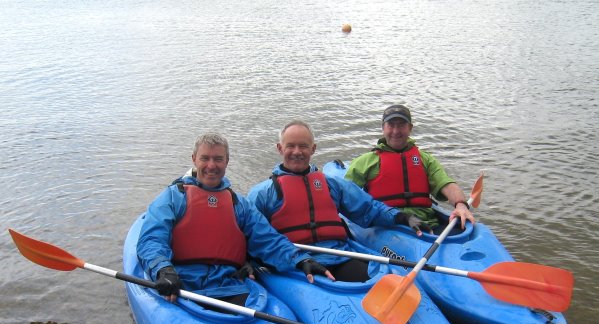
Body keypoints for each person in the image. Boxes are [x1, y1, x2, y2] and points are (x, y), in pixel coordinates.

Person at [137, 132, 333, 305]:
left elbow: (268, 240)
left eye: (218, 159)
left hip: (230, 283)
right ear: (194, 159)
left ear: (227, 161)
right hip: (182, 283)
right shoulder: (172, 197)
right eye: (205, 158)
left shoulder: (238, 204)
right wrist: (163, 270)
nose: (211, 166)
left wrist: (300, 260)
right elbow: (152, 239)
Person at [247, 120, 429, 282]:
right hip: (293, 264)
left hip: (338, 256)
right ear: (280, 148)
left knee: (386, 281)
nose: (297, 152)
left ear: (313, 149)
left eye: (303, 146)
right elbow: (255, 238)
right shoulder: (262, 194)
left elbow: (368, 208)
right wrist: (295, 260)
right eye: (290, 146)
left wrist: (401, 217)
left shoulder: (331, 184)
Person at [344, 104, 475, 232]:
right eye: (391, 125)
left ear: (410, 128)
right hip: (386, 224)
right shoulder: (365, 162)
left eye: (401, 125)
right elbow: (345, 195)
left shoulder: (425, 159)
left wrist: (461, 205)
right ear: (383, 128)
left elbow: (446, 184)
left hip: (426, 223)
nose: (396, 131)